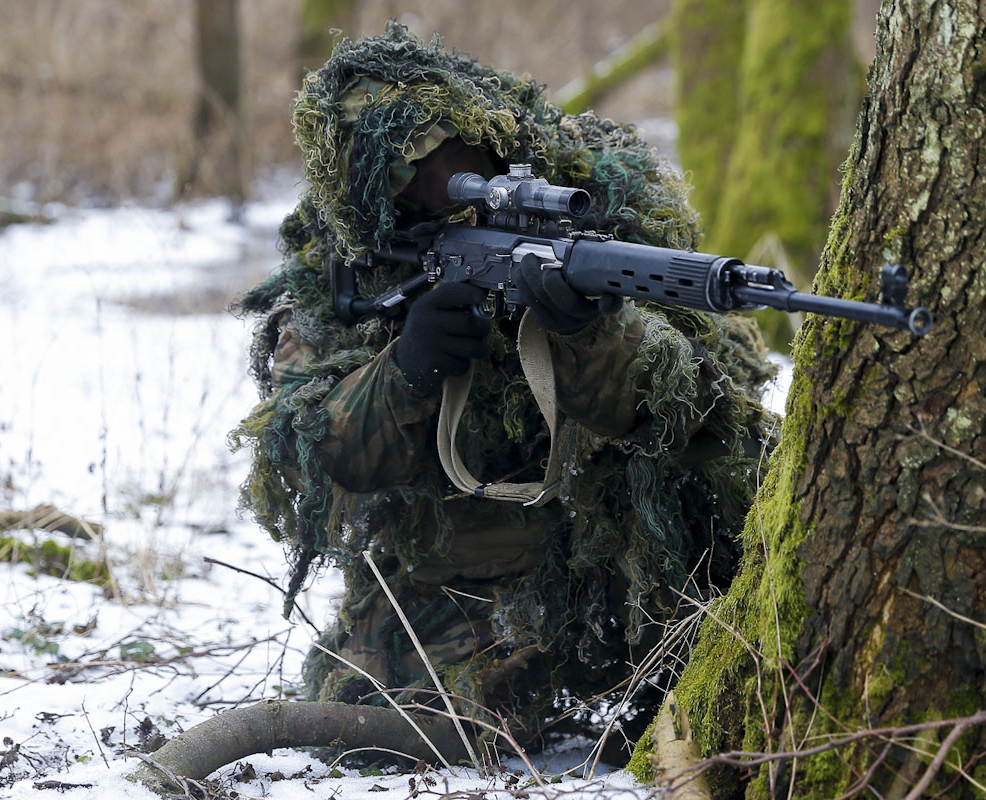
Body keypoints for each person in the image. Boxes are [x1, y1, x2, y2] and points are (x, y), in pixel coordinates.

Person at [231, 22, 780, 748]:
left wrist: (593, 336)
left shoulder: (613, 207)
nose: (442, 184)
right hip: (453, 584)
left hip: (625, 569)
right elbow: (319, 451)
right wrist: (408, 370)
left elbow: (710, 423)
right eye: (407, 174)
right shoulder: (346, 266)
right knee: (413, 732)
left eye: (455, 154)